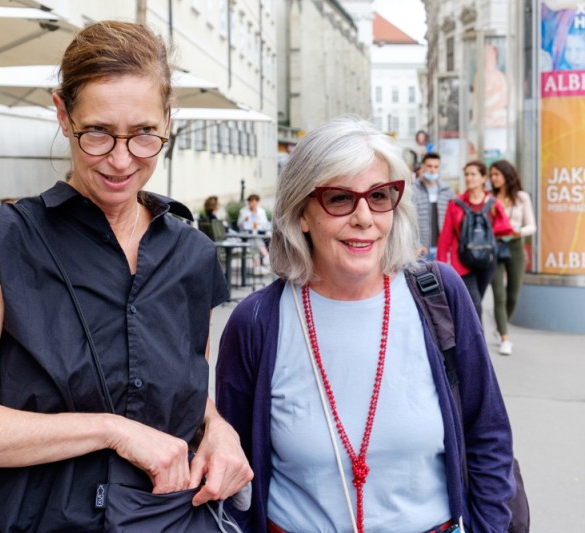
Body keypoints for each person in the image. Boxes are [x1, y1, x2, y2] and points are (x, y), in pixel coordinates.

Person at [0, 20, 252, 532]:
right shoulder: (1, 243)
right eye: (97, 133)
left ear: (167, 121)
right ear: (63, 114)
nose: (120, 160)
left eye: (143, 136)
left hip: (170, 518)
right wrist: (112, 430)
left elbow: (181, 384)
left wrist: (217, 428)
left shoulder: (192, 253)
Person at [215, 117, 515, 533]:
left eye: (379, 196)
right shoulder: (256, 323)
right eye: (339, 198)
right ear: (301, 213)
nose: (363, 217)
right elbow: (234, 473)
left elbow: (488, 434)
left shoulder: (439, 295)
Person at [437, 160, 513, 319]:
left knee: (472, 303)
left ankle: (467, 336)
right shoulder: (455, 203)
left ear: (483, 178)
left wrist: (486, 228)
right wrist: (441, 266)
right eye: (466, 174)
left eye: (473, 174)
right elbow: (445, 237)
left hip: (487, 261)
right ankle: (477, 342)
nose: (469, 178)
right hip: (462, 261)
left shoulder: (492, 202)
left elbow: (506, 228)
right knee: (475, 303)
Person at [489, 160, 537, 355]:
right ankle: (505, 337)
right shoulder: (490, 198)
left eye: (496, 174)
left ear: (507, 175)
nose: (493, 178)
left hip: (516, 246)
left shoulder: (521, 197)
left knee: (513, 294)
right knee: (499, 295)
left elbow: (532, 226)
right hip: (495, 246)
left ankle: (500, 326)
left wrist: (517, 231)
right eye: (491, 175)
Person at [413, 152, 455, 261]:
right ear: (422, 167)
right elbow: (408, 221)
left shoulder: (447, 191)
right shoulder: (413, 190)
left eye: (436, 167)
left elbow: (453, 220)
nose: (433, 170)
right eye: (429, 166)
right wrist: (415, 244)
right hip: (420, 250)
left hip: (443, 249)